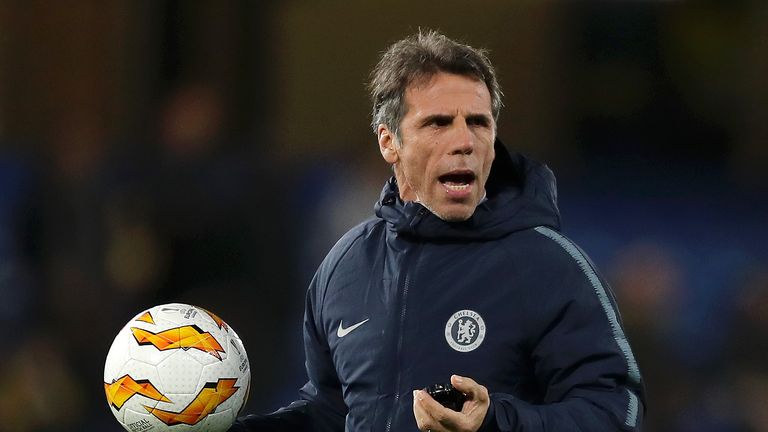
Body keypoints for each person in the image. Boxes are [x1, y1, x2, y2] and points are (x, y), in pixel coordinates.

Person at [231, 29, 645, 432]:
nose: (464, 141)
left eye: (479, 123)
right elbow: (330, 412)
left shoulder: (550, 267)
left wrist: (495, 422)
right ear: (389, 142)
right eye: (439, 123)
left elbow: (615, 413)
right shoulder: (347, 264)